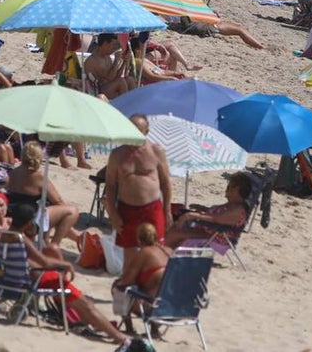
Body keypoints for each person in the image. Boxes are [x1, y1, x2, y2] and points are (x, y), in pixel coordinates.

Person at [4, 204, 128, 345]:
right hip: (38, 279)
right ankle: (119, 337)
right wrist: (66, 265)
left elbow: (35, 260)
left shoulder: (3, 234)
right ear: (27, 223)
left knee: (52, 251)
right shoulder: (22, 239)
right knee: (86, 304)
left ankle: (77, 316)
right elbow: (45, 263)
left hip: (18, 276)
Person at [105, 114, 172, 260]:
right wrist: (113, 214)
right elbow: (110, 186)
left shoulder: (156, 151)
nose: (134, 134)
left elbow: (166, 183)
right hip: (127, 210)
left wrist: (167, 211)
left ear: (146, 132)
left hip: (152, 209)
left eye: (138, 130)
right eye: (131, 129)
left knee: (155, 252)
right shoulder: (117, 154)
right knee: (129, 255)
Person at [5, 141, 81, 247]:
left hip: (13, 217)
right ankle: (54, 246)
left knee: (47, 208)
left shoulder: (12, 173)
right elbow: (58, 202)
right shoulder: (38, 177)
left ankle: (72, 237)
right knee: (72, 211)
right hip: (30, 222)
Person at [163, 172, 252, 247]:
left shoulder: (237, 211)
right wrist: (204, 209)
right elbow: (218, 215)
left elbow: (216, 219)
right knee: (174, 225)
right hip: (210, 230)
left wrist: (192, 215)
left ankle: (163, 257)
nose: (227, 189)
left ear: (237, 190)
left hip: (217, 237)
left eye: (230, 187)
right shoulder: (233, 205)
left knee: (174, 233)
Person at [113, 222, 171, 326]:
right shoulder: (168, 251)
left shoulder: (144, 253)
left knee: (118, 287)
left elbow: (126, 281)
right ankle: (154, 330)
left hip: (151, 306)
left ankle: (129, 327)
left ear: (139, 239)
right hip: (171, 307)